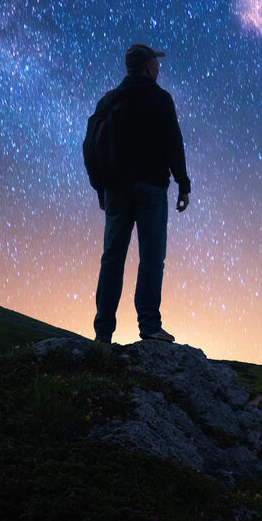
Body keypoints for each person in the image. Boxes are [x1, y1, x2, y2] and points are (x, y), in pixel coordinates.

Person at [92, 43, 191, 344]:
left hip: (116, 190)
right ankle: (149, 325)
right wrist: (183, 184)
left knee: (112, 258)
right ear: (148, 68)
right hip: (150, 188)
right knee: (151, 258)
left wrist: (102, 189)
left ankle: (103, 333)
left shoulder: (109, 100)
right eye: (156, 65)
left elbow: (92, 146)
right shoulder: (160, 99)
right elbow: (173, 142)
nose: (159, 70)